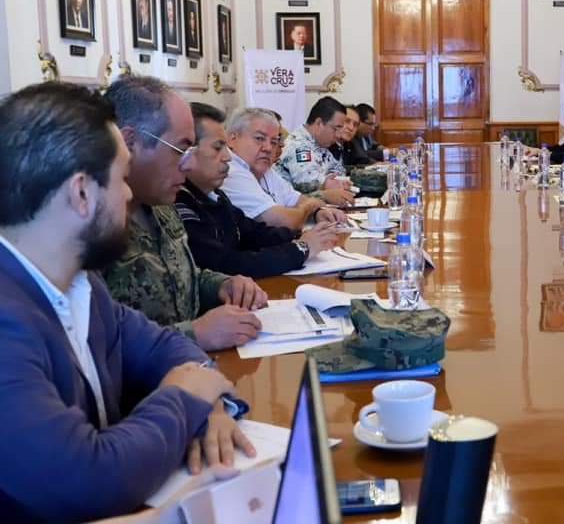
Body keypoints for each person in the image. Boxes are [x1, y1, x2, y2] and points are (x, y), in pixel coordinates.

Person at [0, 82, 253, 521]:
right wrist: (185, 398)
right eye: (120, 178)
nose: (129, 195)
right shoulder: (7, 323)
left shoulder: (84, 286)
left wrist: (208, 404)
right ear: (81, 194)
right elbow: (86, 479)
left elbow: (167, 348)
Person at [100, 76, 267, 351]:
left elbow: (181, 275)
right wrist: (193, 335)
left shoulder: (162, 203)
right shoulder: (93, 225)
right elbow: (96, 346)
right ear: (130, 142)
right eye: (180, 150)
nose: (188, 165)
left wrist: (221, 285)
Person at [176, 103, 337, 278]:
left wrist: (303, 236)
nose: (227, 157)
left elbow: (253, 233)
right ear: (186, 152)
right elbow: (226, 264)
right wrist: (301, 247)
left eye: (274, 142)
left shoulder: (215, 194)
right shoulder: (182, 201)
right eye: (217, 147)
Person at [220, 107, 342, 231]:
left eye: (274, 142)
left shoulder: (264, 170)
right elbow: (283, 222)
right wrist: (308, 207)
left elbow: (297, 199)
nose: (268, 148)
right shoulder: (230, 171)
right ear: (232, 139)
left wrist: (318, 213)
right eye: (259, 138)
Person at [276, 96, 355, 205]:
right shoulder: (298, 145)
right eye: (335, 129)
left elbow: (338, 170)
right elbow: (305, 182)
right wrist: (326, 183)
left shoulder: (320, 144)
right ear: (319, 123)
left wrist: (339, 181)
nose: (338, 135)